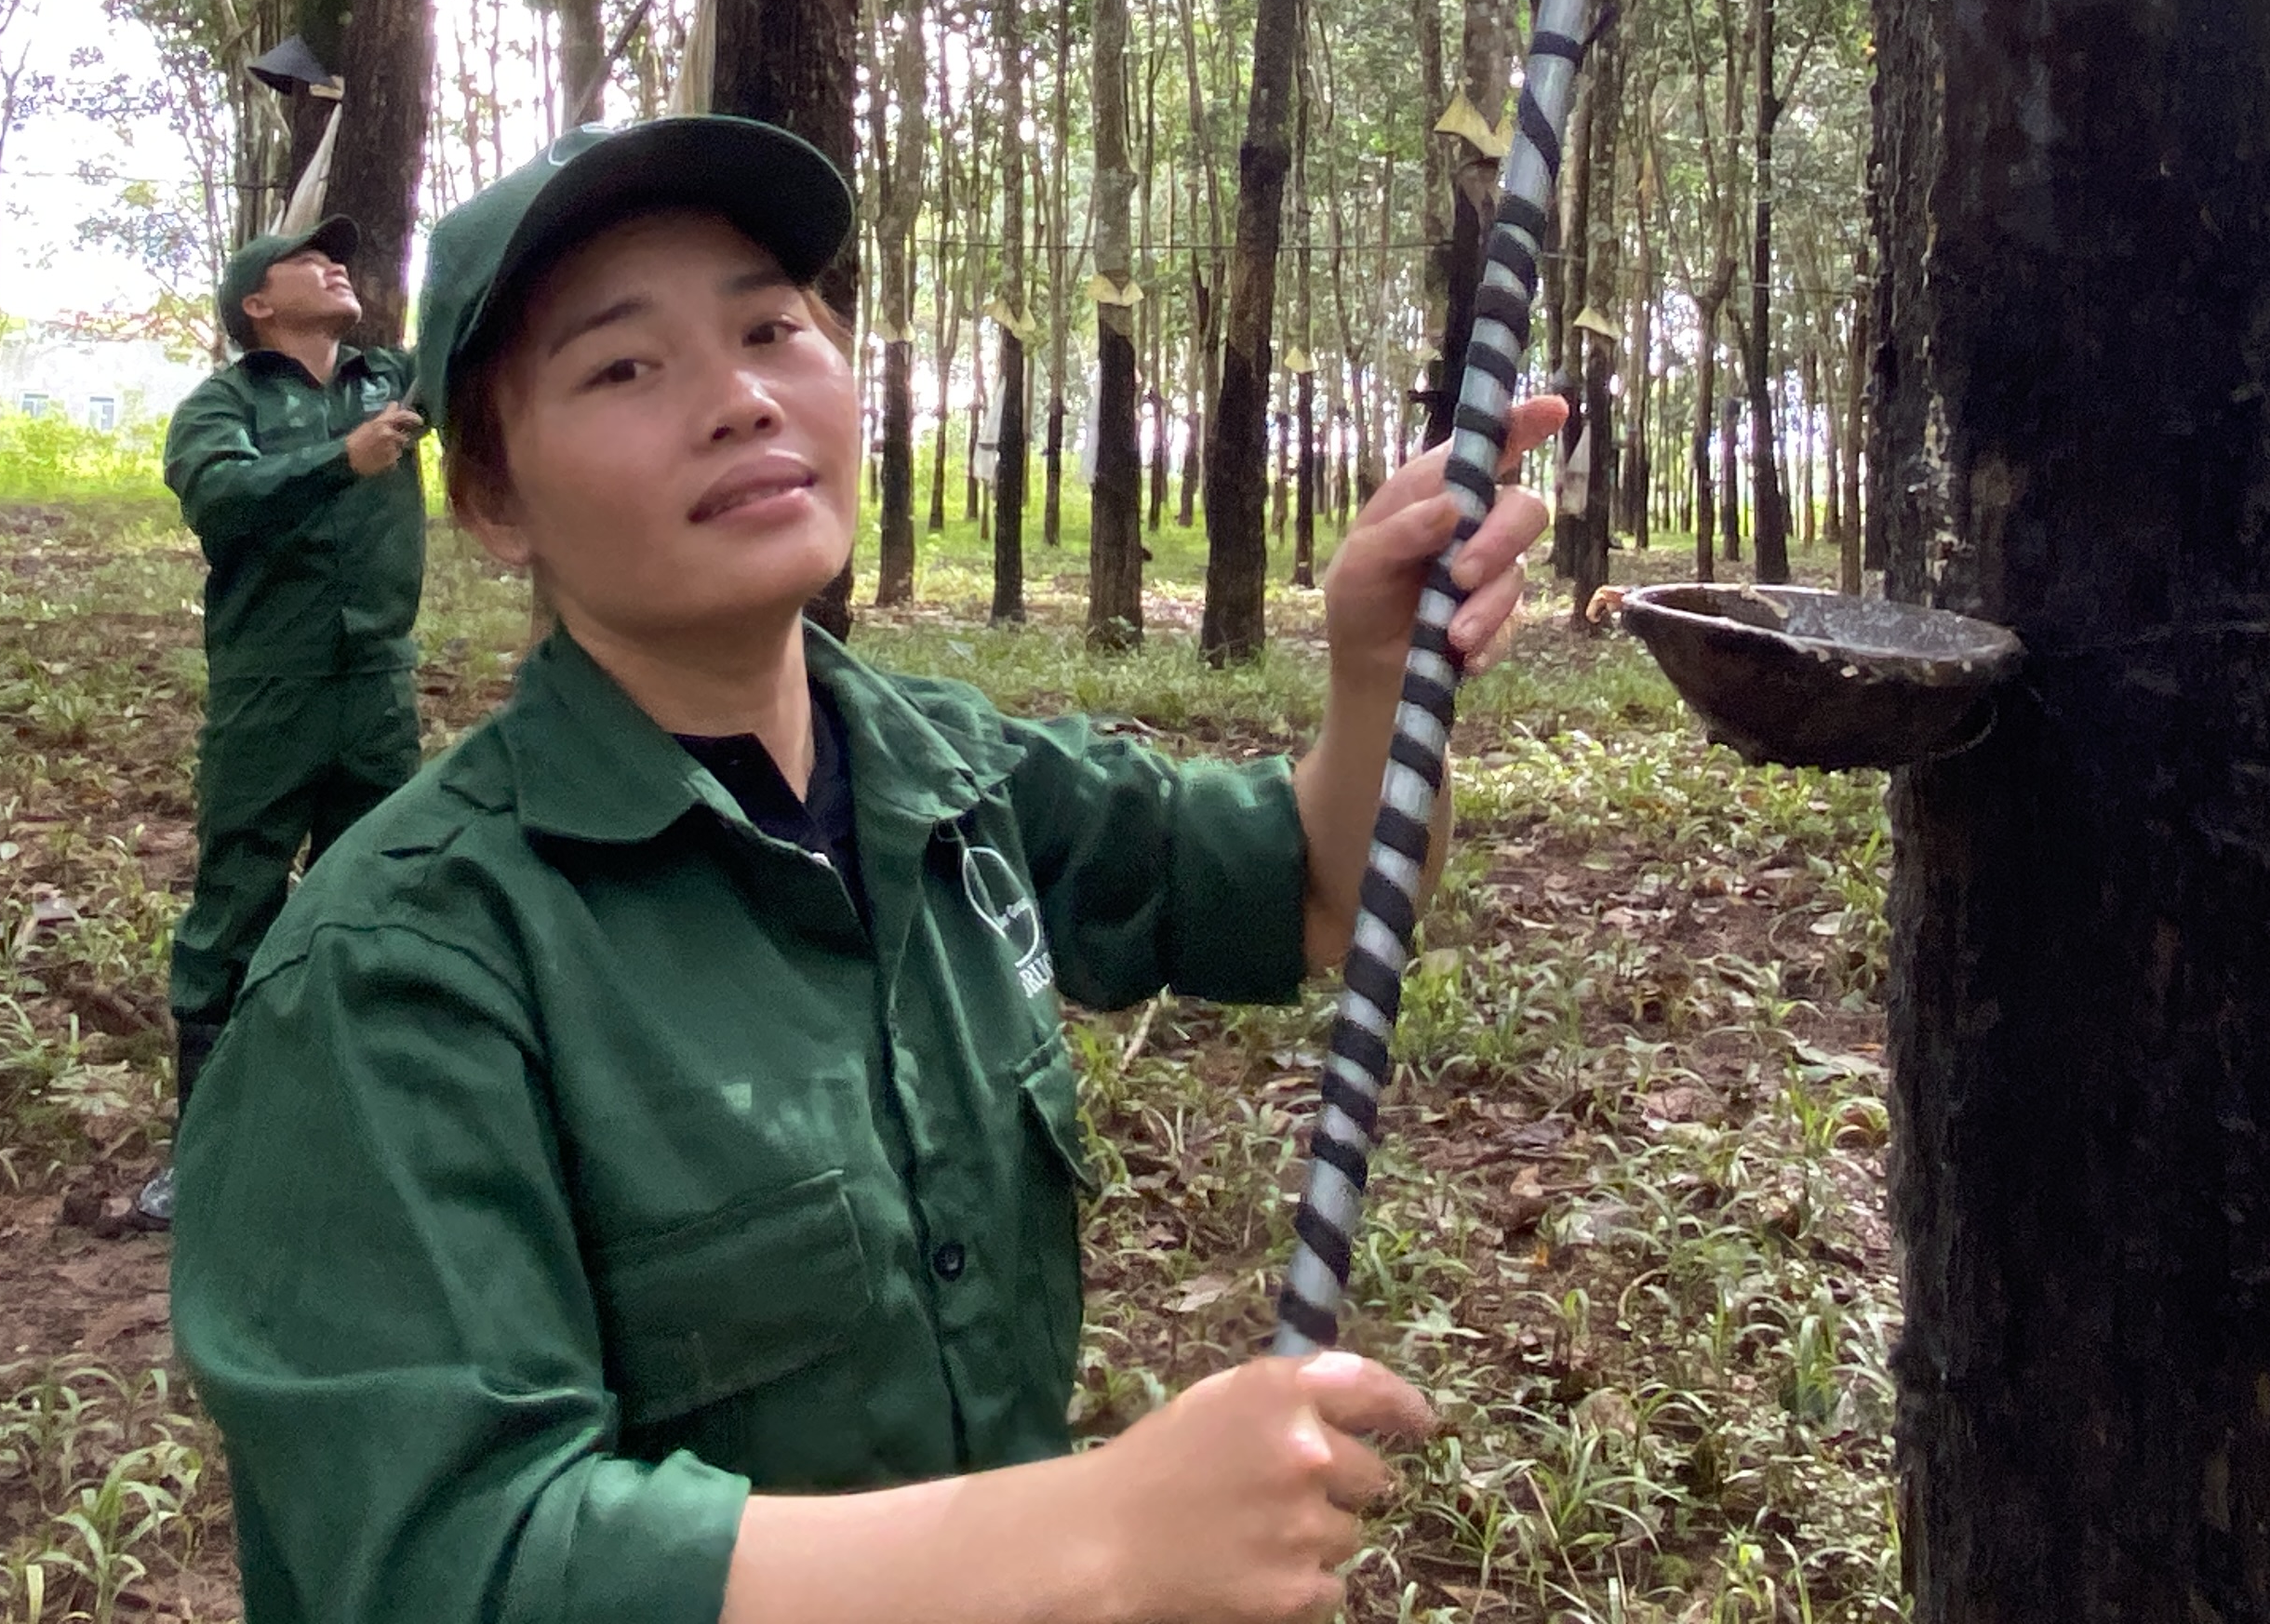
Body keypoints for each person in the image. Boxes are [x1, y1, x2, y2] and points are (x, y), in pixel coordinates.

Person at [169, 114, 1561, 1624]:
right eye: (625, 365)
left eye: (772, 324)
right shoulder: (395, 962)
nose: (741, 396)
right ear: (496, 502)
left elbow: (1311, 885)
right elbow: (455, 1556)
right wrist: (1092, 1532)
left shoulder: (942, 772)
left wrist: (1369, 668)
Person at [140, 213, 430, 1232]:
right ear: (258, 305)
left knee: (384, 898)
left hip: (380, 684)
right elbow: (218, 500)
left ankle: (369, 1133)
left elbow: (481, 333)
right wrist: (337, 463)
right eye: (308, 258)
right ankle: (207, 1154)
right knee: (237, 900)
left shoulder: (391, 380)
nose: (335, 263)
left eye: (337, 253)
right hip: (273, 683)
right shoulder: (221, 403)